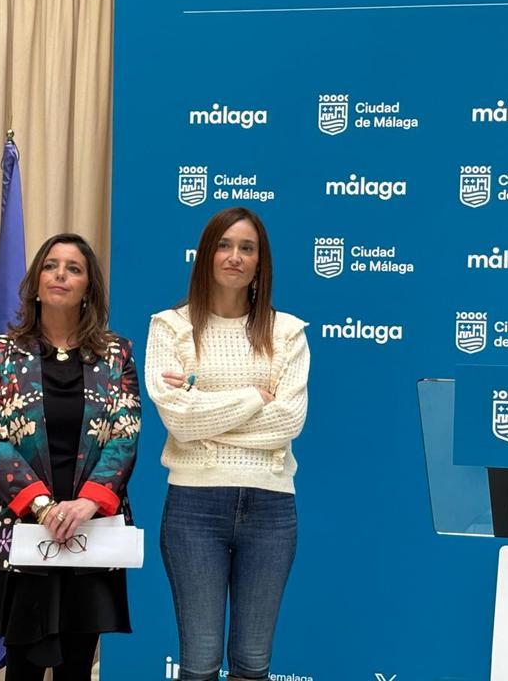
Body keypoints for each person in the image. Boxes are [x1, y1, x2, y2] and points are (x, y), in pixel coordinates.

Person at [146, 206, 309, 681]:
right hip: (194, 506)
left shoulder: (288, 332)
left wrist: (205, 408)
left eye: (247, 248)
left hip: (271, 508)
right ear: (205, 255)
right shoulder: (170, 327)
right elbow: (177, 419)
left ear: (261, 262)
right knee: (198, 663)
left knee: (253, 665)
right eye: (224, 245)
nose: (234, 256)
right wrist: (255, 396)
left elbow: (288, 421)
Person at [0, 233, 141, 681]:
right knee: (22, 665)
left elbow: (125, 435)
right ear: (36, 281)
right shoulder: (2, 353)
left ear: (89, 288)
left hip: (92, 526)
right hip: (23, 527)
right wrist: (43, 507)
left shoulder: (115, 353)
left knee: (78, 667)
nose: (61, 274)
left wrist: (86, 504)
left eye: (74, 268)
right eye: (51, 265)